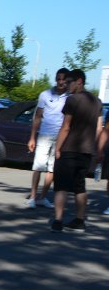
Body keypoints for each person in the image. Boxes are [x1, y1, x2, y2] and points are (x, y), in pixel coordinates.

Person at [50, 69, 103, 233]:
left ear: (79, 81)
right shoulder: (97, 101)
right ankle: (80, 221)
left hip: (69, 149)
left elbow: (66, 127)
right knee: (80, 186)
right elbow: (99, 129)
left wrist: (57, 148)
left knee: (61, 186)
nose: (66, 86)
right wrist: (97, 149)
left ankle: (58, 220)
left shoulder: (72, 100)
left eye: (69, 83)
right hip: (86, 151)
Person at [25, 68, 70, 209]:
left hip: (60, 137)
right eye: (58, 78)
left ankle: (42, 197)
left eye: (63, 79)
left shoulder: (71, 97)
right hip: (45, 135)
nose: (60, 82)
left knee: (52, 169)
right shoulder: (45, 95)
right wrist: (32, 137)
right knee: (38, 166)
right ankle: (32, 197)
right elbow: (37, 117)